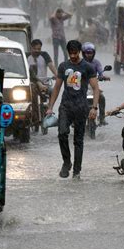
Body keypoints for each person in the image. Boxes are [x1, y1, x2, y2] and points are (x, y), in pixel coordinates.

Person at [46, 40, 100, 179]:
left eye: (75, 53)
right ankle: (66, 162)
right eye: (71, 54)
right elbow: (57, 87)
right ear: (68, 53)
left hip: (81, 107)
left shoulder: (87, 67)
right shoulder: (63, 66)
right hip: (66, 106)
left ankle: (77, 171)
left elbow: (95, 88)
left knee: (78, 141)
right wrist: (50, 107)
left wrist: (94, 107)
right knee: (62, 133)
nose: (73, 56)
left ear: (80, 52)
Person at [81, 42, 109, 125]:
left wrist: (103, 77)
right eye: (87, 53)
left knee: (102, 98)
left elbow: (100, 72)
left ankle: (102, 118)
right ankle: (73, 119)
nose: (89, 55)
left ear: (94, 53)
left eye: (91, 53)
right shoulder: (79, 63)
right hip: (81, 88)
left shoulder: (96, 63)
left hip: (93, 88)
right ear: (83, 53)